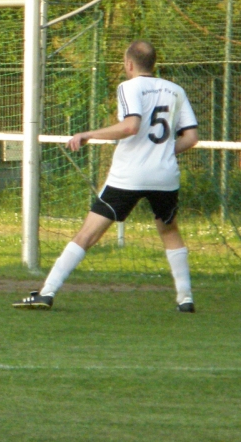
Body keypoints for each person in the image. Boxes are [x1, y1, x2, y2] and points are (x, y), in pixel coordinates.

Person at [13, 40, 199, 312]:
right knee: (169, 231)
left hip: (129, 175)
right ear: (153, 63)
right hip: (165, 175)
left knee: (87, 234)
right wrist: (163, 153)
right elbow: (191, 137)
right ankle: (186, 298)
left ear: (129, 64)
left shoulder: (128, 86)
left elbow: (130, 126)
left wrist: (87, 134)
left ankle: (47, 292)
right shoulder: (175, 90)